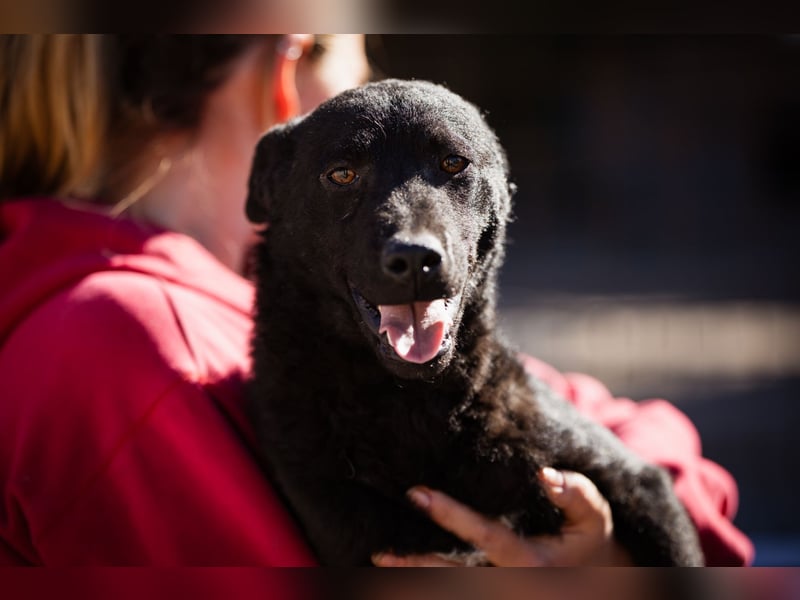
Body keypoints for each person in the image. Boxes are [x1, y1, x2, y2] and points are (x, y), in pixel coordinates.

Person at [0, 34, 753, 567]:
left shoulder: (269, 303)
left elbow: (642, 446)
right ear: (289, 77)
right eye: (367, 56)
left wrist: (616, 556)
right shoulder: (130, 347)